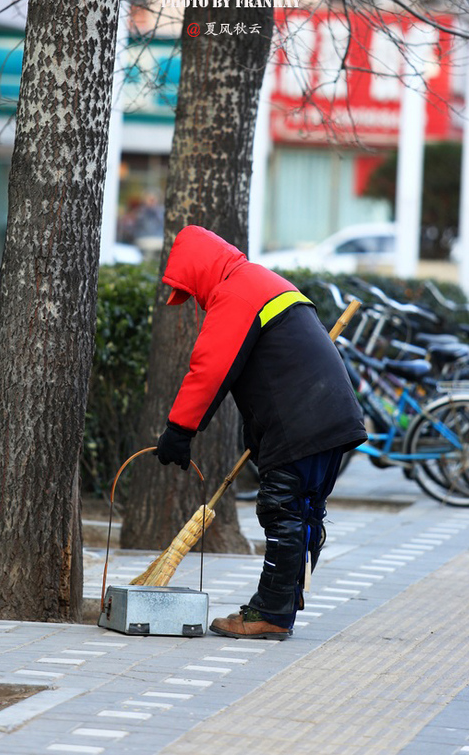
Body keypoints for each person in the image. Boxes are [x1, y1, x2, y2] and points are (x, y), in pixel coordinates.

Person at [156, 225, 367, 640]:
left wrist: (179, 429)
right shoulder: (264, 282)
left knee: (281, 511)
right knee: (301, 511)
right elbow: (274, 370)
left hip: (304, 424)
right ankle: (285, 597)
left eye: (190, 291)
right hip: (331, 419)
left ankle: (270, 612)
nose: (195, 301)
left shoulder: (236, 292)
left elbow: (211, 369)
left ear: (200, 271)